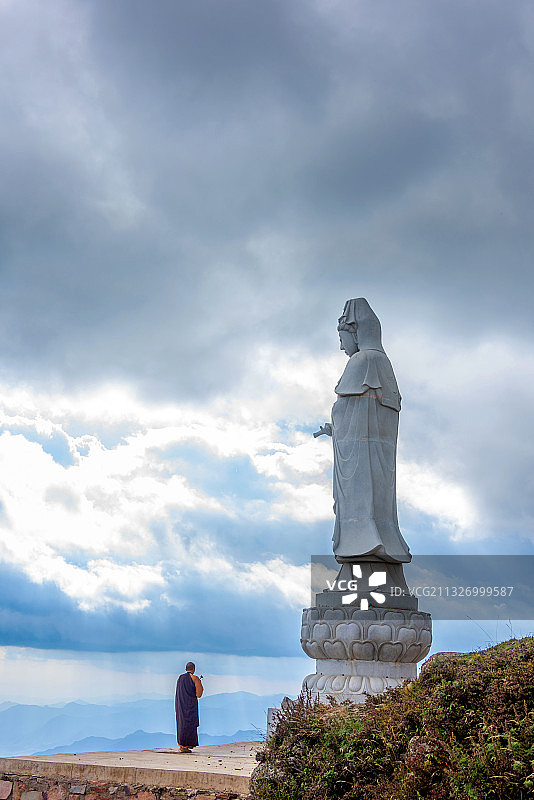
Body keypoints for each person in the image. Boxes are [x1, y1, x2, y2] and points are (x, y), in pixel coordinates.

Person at [314, 298, 411, 564]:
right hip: (377, 462)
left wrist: (338, 424)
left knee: (363, 504)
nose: (341, 346)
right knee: (379, 502)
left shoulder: (362, 361)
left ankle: (363, 541)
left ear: (355, 332)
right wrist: (337, 429)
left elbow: (349, 411)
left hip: (360, 464)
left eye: (342, 338)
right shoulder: (383, 363)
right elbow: (366, 417)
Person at [175, 661, 203, 753]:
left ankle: (182, 745)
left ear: (186, 669)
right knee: (190, 724)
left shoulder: (180, 678)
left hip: (181, 705)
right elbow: (199, 694)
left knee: (182, 723)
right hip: (190, 705)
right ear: (193, 669)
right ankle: (186, 746)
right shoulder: (195, 678)